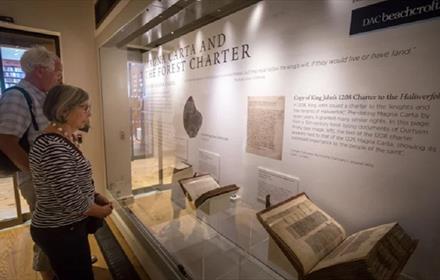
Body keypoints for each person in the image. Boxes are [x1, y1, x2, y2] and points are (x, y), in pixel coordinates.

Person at [29, 84, 113, 279]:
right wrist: (101, 211)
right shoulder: (53, 146)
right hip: (60, 230)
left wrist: (94, 195)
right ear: (65, 110)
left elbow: (70, 183)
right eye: (84, 108)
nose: (89, 114)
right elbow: (71, 201)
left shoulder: (59, 139)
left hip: (64, 228)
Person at [0, 46, 62, 280]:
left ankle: (59, 265)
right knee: (49, 227)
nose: (58, 77)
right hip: (38, 178)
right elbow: (6, 141)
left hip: (49, 175)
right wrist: (37, 173)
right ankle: (47, 274)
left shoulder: (40, 95)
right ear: (39, 71)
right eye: (56, 72)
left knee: (58, 225)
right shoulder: (17, 96)